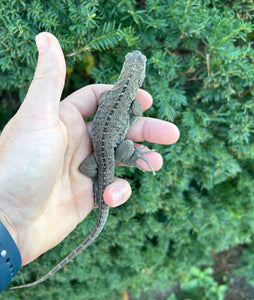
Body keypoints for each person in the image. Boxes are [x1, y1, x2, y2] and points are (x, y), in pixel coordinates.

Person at [0, 32, 179, 288]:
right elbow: (137, 112)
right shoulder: (132, 99)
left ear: (122, 73)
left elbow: (105, 100)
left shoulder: (111, 93)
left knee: (113, 161)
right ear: (139, 78)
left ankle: (127, 158)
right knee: (128, 147)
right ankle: (133, 156)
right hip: (104, 154)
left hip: (98, 155)